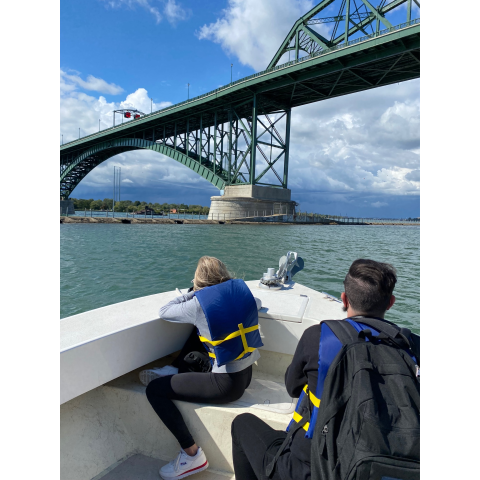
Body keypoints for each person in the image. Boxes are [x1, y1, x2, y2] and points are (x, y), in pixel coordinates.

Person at [231, 259, 412, 480]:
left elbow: (292, 387)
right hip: (389, 470)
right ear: (390, 302)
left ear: (344, 299)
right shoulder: (416, 347)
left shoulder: (319, 337)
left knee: (242, 425)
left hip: (313, 467)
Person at [144, 256, 263, 480]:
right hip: (245, 375)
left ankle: (191, 455)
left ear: (199, 281)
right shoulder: (243, 294)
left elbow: (165, 310)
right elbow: (256, 302)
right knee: (204, 328)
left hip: (225, 385)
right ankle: (174, 369)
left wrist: (193, 292)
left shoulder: (199, 304)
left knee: (154, 390)